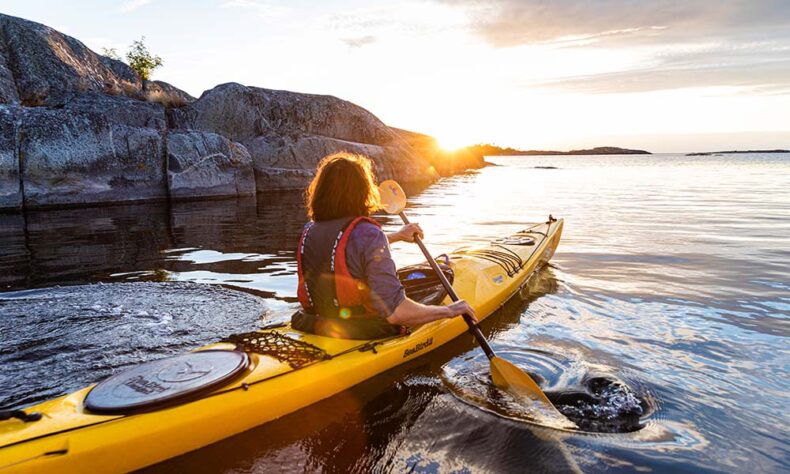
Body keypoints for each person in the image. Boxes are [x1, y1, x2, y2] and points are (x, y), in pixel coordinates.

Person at [292, 152, 476, 339]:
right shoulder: (369, 234)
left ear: (320, 190)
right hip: (360, 331)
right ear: (363, 191)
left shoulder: (310, 230)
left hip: (313, 322)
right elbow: (397, 313)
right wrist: (449, 310)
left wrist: (397, 236)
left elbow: (347, 250)